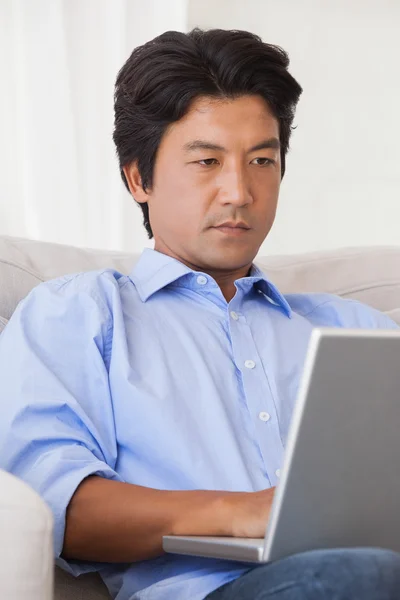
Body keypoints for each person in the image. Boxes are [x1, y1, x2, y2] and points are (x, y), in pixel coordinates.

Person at [0, 27, 399, 600]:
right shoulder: (81, 313)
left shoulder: (357, 328)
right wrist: (242, 514)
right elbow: (52, 506)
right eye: (207, 161)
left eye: (262, 159)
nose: (239, 191)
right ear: (139, 177)